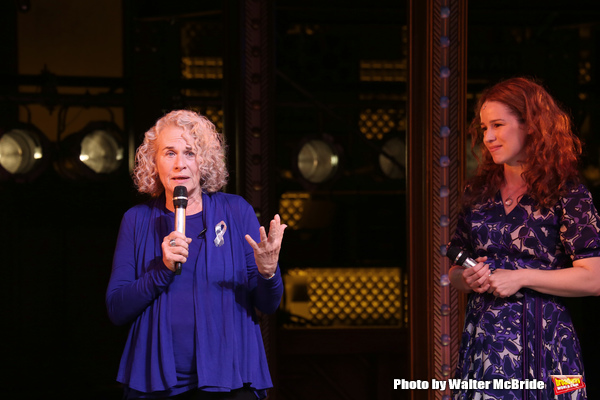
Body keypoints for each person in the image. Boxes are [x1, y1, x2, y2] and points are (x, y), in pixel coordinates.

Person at [106, 110, 286, 400]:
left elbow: (268, 304)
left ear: (205, 161)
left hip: (230, 380)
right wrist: (162, 269)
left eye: (190, 152)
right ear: (153, 163)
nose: (180, 164)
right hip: (157, 385)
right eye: (169, 153)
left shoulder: (236, 211)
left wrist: (268, 272)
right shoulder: (135, 220)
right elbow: (116, 309)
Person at [448, 77, 600, 399]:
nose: (488, 137)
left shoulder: (568, 192)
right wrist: (469, 279)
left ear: (530, 125)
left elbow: (594, 279)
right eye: (485, 128)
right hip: (485, 341)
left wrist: (521, 278)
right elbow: (454, 274)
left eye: (498, 125)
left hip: (545, 341)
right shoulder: (477, 193)